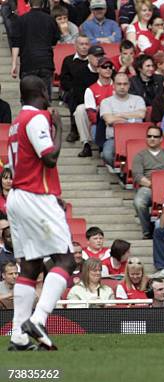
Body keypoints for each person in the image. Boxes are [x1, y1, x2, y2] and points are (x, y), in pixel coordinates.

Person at [7, 76, 75, 351]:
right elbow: (49, 157)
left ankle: (18, 336)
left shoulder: (16, 123)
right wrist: (58, 128)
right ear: (42, 92)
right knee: (67, 260)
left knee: (31, 266)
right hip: (35, 195)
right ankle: (39, 319)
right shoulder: (36, 119)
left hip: (17, 196)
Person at [132, 126, 164, 239]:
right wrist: (154, 185)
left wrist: (161, 186)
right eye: (149, 136)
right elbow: (138, 176)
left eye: (155, 136)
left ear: (161, 139)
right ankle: (147, 231)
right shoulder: (140, 156)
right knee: (139, 202)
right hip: (148, 187)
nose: (152, 139)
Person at [10, 0, 60, 95]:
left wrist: (14, 64)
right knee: (45, 98)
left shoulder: (21, 20)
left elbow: (16, 43)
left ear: (29, 3)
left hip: (28, 63)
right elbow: (55, 41)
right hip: (46, 62)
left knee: (27, 98)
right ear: (42, 3)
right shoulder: (50, 19)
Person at [99, 72, 146, 166]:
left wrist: (118, 115)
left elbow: (141, 115)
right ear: (113, 85)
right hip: (114, 138)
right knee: (106, 154)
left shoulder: (138, 99)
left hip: (135, 137)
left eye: (125, 84)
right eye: (119, 84)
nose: (122, 87)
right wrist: (131, 119)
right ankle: (122, 170)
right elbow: (109, 120)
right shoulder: (106, 102)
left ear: (129, 85)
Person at [74, 56, 114, 158]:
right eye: (104, 66)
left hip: (116, 121)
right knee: (81, 110)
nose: (108, 69)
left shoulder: (117, 86)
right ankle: (87, 144)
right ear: (98, 69)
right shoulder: (91, 89)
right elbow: (92, 115)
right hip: (100, 123)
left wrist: (100, 109)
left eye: (110, 66)